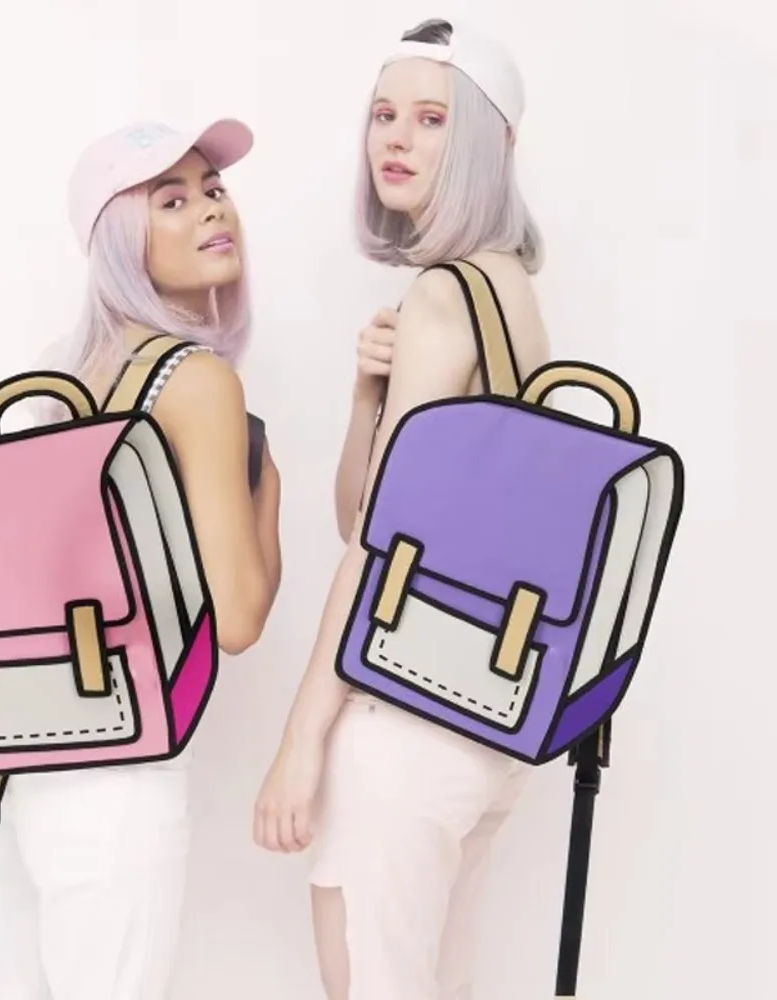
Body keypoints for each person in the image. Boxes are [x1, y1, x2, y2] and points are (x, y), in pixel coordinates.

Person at [254, 18, 550, 1000]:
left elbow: (379, 545)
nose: (396, 138)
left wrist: (301, 739)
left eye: (433, 118)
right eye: (385, 114)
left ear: (492, 142)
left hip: (402, 724)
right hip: (482, 722)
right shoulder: (505, 292)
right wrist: (366, 398)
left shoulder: (441, 299)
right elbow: (369, 515)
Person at [0, 117, 282, 1000]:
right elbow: (237, 619)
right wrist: (269, 486)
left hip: (33, 775)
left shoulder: (66, 377)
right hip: (122, 783)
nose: (212, 209)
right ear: (119, 240)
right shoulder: (196, 380)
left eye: (213, 189)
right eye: (171, 200)